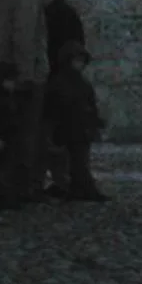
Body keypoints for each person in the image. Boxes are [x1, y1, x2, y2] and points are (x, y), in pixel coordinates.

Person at [0, 0, 48, 209]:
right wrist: (26, 75)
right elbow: (24, 37)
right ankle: (22, 190)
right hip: (25, 75)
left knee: (11, 135)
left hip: (5, 71)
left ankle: (8, 187)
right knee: (26, 135)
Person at [37, 0, 85, 194]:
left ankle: (63, 180)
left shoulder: (57, 15)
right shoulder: (63, 12)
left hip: (58, 80)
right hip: (62, 79)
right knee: (60, 133)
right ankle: (63, 179)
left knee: (58, 133)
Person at [45, 39, 108, 202]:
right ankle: (74, 188)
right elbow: (55, 108)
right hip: (67, 129)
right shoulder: (59, 83)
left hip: (80, 129)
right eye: (76, 60)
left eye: (81, 61)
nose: (79, 64)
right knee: (70, 163)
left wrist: (95, 122)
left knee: (81, 162)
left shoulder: (82, 83)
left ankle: (82, 189)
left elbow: (89, 104)